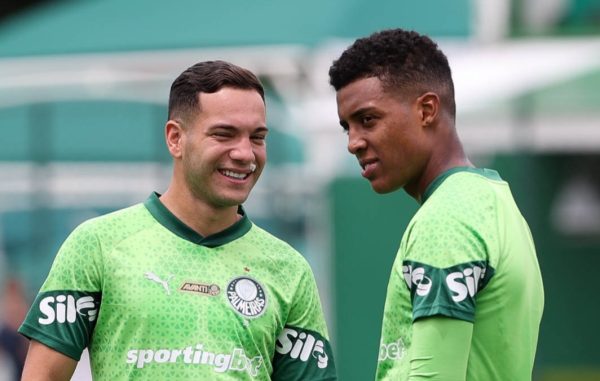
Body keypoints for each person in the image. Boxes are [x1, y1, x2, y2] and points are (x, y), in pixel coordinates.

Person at [18, 60, 337, 380]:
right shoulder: (99, 244)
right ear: (175, 138)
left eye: (257, 137)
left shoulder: (289, 268)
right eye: (224, 134)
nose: (245, 154)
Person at [329, 29, 544, 380]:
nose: (353, 143)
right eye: (346, 127)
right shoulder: (494, 201)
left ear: (427, 110)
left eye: (368, 120)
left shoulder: (446, 220)